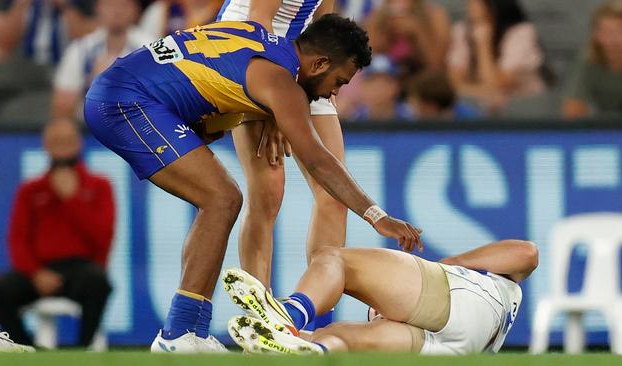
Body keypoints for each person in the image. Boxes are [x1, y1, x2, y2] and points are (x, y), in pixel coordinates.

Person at [83, 15, 422, 353]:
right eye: (339, 81)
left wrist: (264, 114)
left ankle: (191, 332)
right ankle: (177, 333)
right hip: (125, 102)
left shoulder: (255, 37)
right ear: (319, 63)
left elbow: (199, 92)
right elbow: (318, 160)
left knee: (221, 199)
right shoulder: (281, 83)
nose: (335, 91)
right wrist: (376, 215)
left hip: (121, 91)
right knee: (221, 198)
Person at [217, 0, 350, 293]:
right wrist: (275, 105)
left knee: (335, 193)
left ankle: (310, 307)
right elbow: (258, 19)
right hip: (246, 50)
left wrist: (323, 75)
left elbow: (322, 20)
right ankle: (261, 318)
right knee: (267, 193)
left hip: (299, 60)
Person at [225, 239, 538, 354]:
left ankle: (289, 317)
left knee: (334, 260)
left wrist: (445, 266)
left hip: (459, 299)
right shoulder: (507, 294)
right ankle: (307, 347)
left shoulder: (488, 281)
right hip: (454, 352)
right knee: (336, 338)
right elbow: (527, 253)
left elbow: (526, 252)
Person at [0, 119, 115, 348]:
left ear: (78, 144)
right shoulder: (31, 189)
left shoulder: (98, 186)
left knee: (98, 283)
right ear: (45, 145)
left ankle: (83, 350)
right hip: (39, 269)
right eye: (56, 141)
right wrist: (35, 273)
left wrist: (72, 199)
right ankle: (27, 347)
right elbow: (18, 239)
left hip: (80, 268)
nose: (62, 147)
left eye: (67, 141)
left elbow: (103, 236)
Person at [52, 0, 153, 119]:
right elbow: (62, 103)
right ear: (98, 8)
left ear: (136, 10)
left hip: (139, 125)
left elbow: (163, 101)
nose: (117, 11)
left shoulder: (150, 48)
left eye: (124, 5)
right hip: (88, 127)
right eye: (110, 5)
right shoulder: (81, 49)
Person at [447, 0, 545, 114]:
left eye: (476, 4)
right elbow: (453, 82)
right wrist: (482, 92)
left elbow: (497, 85)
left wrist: (483, 47)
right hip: (477, 108)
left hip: (524, 110)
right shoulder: (462, 30)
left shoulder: (522, 32)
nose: (470, 9)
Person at [562, 0, 622, 119]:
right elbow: (572, 110)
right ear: (596, 35)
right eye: (607, 33)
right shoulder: (588, 61)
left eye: (619, 32)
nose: (614, 41)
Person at [406, 70, 480, 121]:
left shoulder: (474, 122)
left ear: (431, 107)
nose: (412, 110)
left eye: (415, 104)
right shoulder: (404, 117)